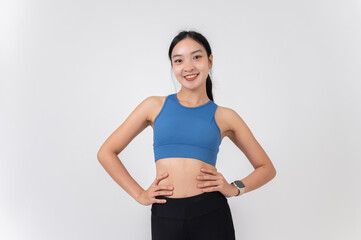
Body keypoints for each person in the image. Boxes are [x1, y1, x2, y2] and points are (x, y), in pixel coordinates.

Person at [97, 30, 277, 240]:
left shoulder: (225, 116)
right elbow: (106, 152)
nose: (188, 67)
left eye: (197, 57)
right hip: (165, 213)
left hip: (211, 213)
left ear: (210, 61)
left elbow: (266, 168)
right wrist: (139, 194)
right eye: (179, 60)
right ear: (173, 66)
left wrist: (234, 188)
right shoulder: (153, 106)